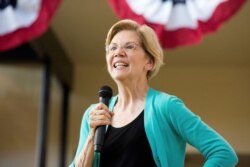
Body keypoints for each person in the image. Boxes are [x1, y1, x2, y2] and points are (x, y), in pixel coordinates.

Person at [69, 19, 238, 167]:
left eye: (129, 46)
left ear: (149, 62)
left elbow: (223, 153)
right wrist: (91, 135)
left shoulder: (166, 106)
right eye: (112, 48)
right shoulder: (94, 114)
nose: (118, 53)